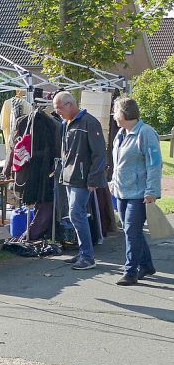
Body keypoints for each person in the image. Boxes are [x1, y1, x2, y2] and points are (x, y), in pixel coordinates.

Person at [109, 98, 162, 286]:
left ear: (123, 114)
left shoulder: (145, 133)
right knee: (133, 232)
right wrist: (113, 185)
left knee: (132, 231)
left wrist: (151, 191)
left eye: (115, 111)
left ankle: (130, 271)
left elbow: (154, 164)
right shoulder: (121, 134)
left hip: (139, 194)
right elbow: (119, 165)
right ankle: (146, 265)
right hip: (122, 192)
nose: (113, 116)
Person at [53, 91, 107, 270]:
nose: (58, 111)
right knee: (76, 215)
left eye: (59, 108)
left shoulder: (90, 122)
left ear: (70, 104)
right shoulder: (66, 123)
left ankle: (88, 256)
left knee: (77, 214)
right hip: (70, 177)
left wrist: (93, 179)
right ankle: (84, 252)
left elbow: (99, 154)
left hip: (82, 179)